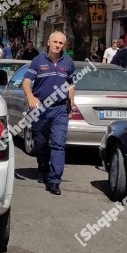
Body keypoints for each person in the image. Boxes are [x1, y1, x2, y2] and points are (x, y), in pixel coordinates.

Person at [23, 32, 75, 196]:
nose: (57, 45)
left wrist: (71, 104)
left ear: (63, 45)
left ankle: (54, 181)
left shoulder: (68, 62)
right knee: (40, 143)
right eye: (55, 42)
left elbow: (71, 85)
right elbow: (26, 82)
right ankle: (43, 167)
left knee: (58, 144)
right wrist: (30, 96)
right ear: (49, 42)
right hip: (41, 109)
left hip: (60, 109)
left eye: (61, 43)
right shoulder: (38, 61)